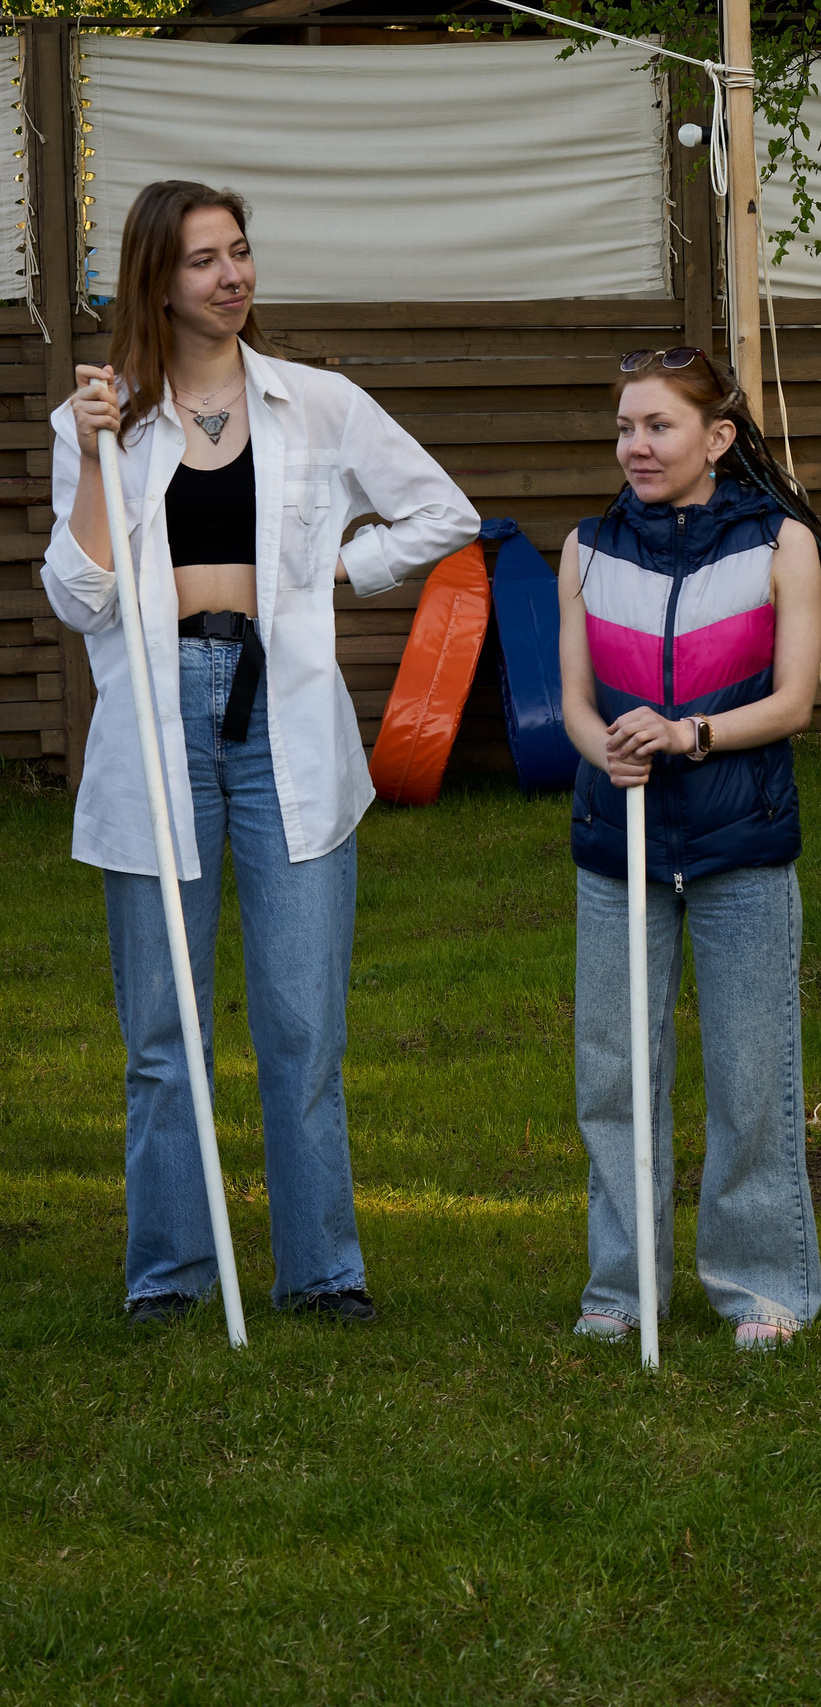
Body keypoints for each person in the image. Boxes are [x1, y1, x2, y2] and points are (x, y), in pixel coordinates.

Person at [43, 181, 477, 1327]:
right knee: (161, 1033)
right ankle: (170, 1274)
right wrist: (92, 457)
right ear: (157, 279)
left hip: (282, 720)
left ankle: (322, 1270)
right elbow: (80, 598)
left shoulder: (316, 404)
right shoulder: (101, 419)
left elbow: (445, 514)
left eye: (240, 253)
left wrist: (334, 573)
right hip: (156, 727)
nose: (231, 276)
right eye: (203, 261)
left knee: (300, 1024)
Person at [558, 348, 821, 1352]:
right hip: (616, 845)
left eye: (658, 426)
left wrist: (690, 736)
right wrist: (612, 753)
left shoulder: (777, 543)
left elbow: (791, 702)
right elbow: (579, 709)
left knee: (752, 1080)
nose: (635, 445)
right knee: (616, 1075)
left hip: (740, 846)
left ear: (715, 438)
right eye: (625, 426)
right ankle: (624, 1288)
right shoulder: (585, 549)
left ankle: (763, 1288)